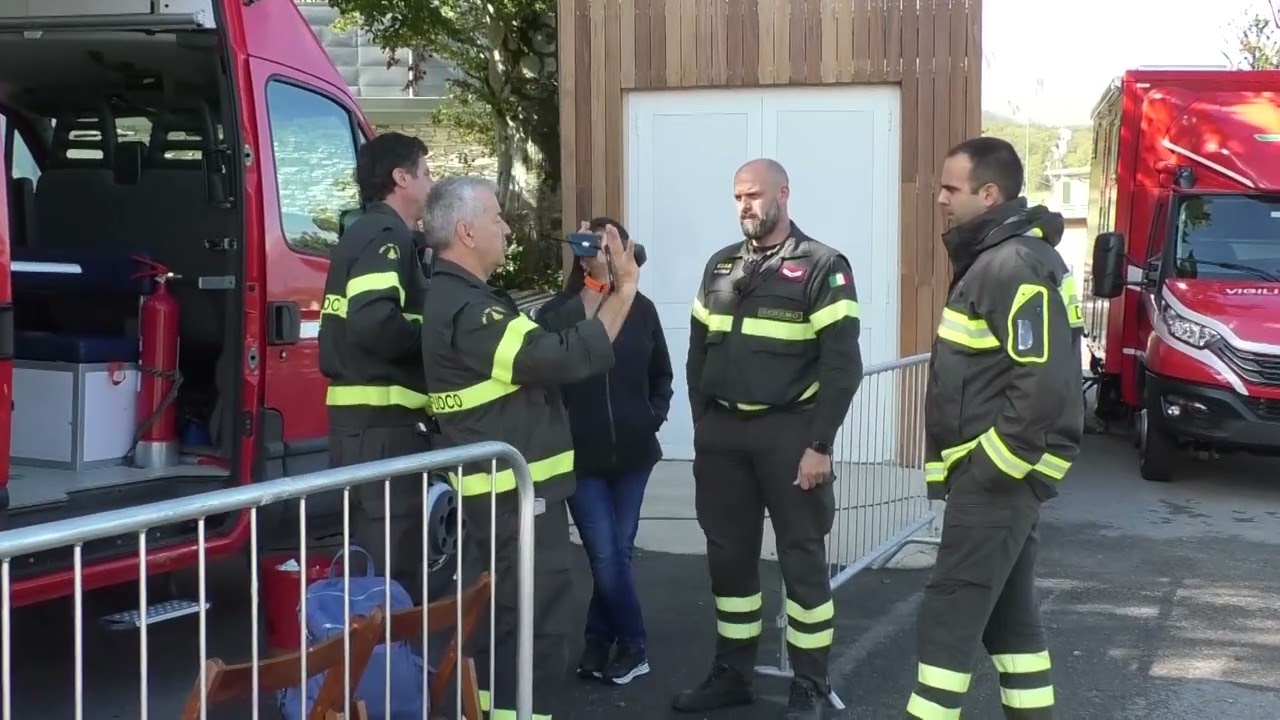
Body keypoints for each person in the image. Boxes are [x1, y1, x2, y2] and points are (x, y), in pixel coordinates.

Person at [419, 176, 643, 718]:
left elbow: (545, 344)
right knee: (534, 625)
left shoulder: (466, 299)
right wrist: (626, 290)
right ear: (467, 231)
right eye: (497, 218)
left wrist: (595, 289)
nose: (507, 227)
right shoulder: (469, 310)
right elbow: (566, 360)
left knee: (500, 624)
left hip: (503, 499)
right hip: (510, 503)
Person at [674, 158, 863, 720]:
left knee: (802, 562)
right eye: (737, 197)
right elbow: (697, 350)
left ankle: (809, 685)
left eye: (754, 195)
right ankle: (733, 675)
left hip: (791, 435)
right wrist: (704, 423)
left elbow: (841, 366)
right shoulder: (721, 265)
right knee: (728, 562)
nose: (745, 207)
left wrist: (820, 444)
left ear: (783, 193)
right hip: (724, 436)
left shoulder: (823, 266)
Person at [904, 136, 1083, 720]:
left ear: (989, 193)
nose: (940, 200)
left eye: (951, 189)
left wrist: (994, 469)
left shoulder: (1010, 265)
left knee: (948, 622)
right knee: (1011, 628)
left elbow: (1044, 386)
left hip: (997, 479)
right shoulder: (1001, 260)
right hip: (1000, 479)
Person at [534, 217, 674, 686]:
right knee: (606, 555)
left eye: (615, 244)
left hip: (634, 456)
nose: (606, 251)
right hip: (582, 459)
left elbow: (662, 374)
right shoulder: (558, 312)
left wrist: (652, 416)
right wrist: (594, 286)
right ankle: (635, 645)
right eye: (597, 243)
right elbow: (550, 374)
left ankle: (598, 639)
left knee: (617, 553)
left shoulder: (644, 309)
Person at [317, 131, 434, 599]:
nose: (432, 181)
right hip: (383, 428)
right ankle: (386, 664)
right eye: (425, 172)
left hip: (367, 429)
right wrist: (434, 341)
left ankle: (372, 663)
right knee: (392, 564)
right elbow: (374, 322)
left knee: (373, 556)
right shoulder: (385, 234)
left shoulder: (369, 232)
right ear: (400, 178)